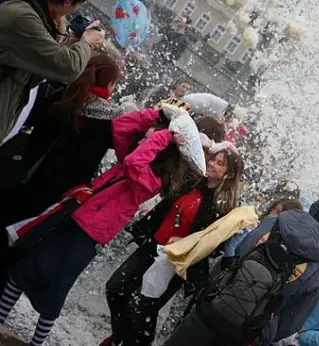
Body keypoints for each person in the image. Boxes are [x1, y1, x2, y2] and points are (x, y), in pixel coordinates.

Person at [0, 104, 195, 346]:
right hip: (75, 218)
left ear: (162, 150)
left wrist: (164, 136)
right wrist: (155, 116)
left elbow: (135, 162)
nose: (146, 137)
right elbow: (120, 127)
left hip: (88, 235)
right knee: (24, 270)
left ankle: (37, 343)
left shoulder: (153, 181)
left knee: (54, 290)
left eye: (152, 137)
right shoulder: (133, 160)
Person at [0, 55, 123, 295]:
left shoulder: (59, 95)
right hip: (56, 197)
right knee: (18, 246)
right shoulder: (109, 120)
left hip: (22, 178)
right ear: (109, 85)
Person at [102, 143, 244, 346]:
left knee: (144, 309)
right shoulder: (193, 180)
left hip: (176, 262)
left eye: (219, 163)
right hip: (152, 246)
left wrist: (184, 243)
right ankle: (122, 338)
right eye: (212, 159)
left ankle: (132, 342)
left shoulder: (224, 208)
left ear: (228, 175)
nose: (211, 163)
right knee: (115, 289)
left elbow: (214, 247)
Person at [161, 194, 319, 346]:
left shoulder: (273, 223)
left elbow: (240, 253)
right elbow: (292, 320)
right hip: (246, 333)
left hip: (213, 307)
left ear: (314, 207)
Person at [0, 0, 106, 142]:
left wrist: (64, 45)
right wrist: (87, 42)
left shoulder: (27, 11)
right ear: (67, 2)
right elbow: (69, 68)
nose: (69, 14)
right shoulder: (23, 18)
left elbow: (39, 68)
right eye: (74, 8)